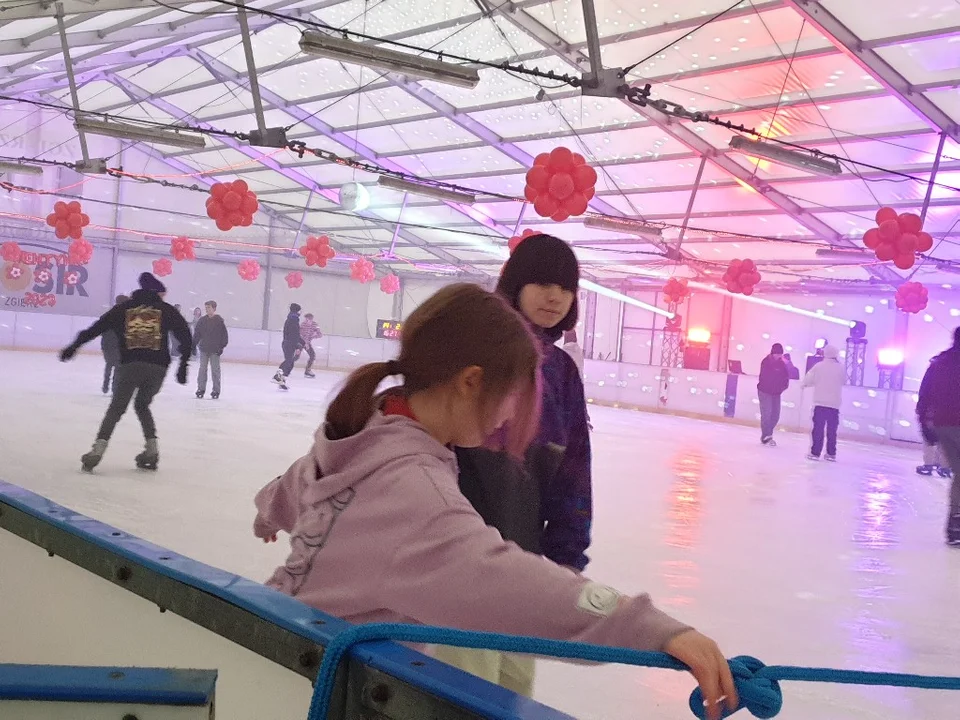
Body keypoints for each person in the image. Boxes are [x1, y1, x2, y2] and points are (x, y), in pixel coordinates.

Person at [253, 283, 737, 718]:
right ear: (470, 381)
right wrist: (652, 629)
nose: (510, 414)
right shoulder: (419, 496)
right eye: (512, 395)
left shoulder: (368, 430)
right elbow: (516, 587)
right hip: (313, 691)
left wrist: (270, 509)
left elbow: (301, 482)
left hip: (272, 654)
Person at [436, 233, 591, 695]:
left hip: (523, 559)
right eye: (542, 282)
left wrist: (567, 554)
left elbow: (574, 470)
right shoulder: (476, 353)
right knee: (463, 689)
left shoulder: (561, 372)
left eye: (565, 286)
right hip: (461, 555)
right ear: (516, 283)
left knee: (513, 688)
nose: (554, 296)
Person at [59, 272, 192, 472]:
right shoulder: (166, 310)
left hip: (130, 364)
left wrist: (74, 346)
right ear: (156, 292)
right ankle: (152, 449)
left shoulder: (124, 309)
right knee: (142, 405)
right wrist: (183, 364)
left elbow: (96, 328)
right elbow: (185, 336)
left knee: (116, 408)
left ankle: (97, 451)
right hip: (158, 368)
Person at [916, 327, 960, 545]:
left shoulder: (939, 363)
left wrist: (924, 422)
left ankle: (955, 523)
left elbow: (925, 394)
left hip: (942, 423)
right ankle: (956, 522)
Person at [802, 345, 844, 461]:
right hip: (834, 405)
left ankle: (815, 452)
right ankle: (831, 453)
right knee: (832, 430)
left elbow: (808, 380)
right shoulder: (840, 368)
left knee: (818, 429)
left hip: (820, 403)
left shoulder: (818, 366)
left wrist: (804, 385)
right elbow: (844, 380)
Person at [193, 300, 229, 399]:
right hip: (204, 349)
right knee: (202, 370)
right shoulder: (202, 321)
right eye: (206, 308)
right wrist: (193, 345)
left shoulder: (219, 321)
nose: (207, 310)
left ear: (214, 308)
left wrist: (221, 347)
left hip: (215, 350)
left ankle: (216, 390)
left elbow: (224, 336)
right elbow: (197, 334)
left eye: (209, 308)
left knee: (215, 371)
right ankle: (201, 389)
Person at [757, 342, 789, 446]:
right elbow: (765, 378)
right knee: (766, 413)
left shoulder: (782, 364)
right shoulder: (766, 362)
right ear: (773, 353)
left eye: (780, 354)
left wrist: (782, 387)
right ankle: (767, 435)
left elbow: (785, 378)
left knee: (775, 415)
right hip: (765, 392)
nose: (779, 356)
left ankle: (767, 434)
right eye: (777, 353)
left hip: (776, 393)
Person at [100, 294, 129, 394]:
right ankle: (114, 388)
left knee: (109, 364)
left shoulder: (106, 315)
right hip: (117, 345)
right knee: (118, 367)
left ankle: (106, 385)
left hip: (106, 345)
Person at [272, 303, 305, 391]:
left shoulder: (292, 319)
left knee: (290, 362)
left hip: (289, 343)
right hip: (290, 343)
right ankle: (278, 376)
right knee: (289, 361)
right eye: (300, 310)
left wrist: (301, 342)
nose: (300, 312)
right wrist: (298, 345)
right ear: (297, 311)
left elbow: (295, 334)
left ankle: (281, 381)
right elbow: (294, 335)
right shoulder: (293, 320)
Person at [299, 312, 323, 378]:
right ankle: (285, 368)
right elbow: (300, 334)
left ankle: (307, 371)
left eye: (308, 319)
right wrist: (305, 343)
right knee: (295, 357)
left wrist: (314, 335)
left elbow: (320, 334)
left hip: (307, 343)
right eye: (305, 319)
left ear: (311, 319)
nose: (306, 321)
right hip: (301, 342)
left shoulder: (315, 325)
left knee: (312, 356)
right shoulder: (303, 324)